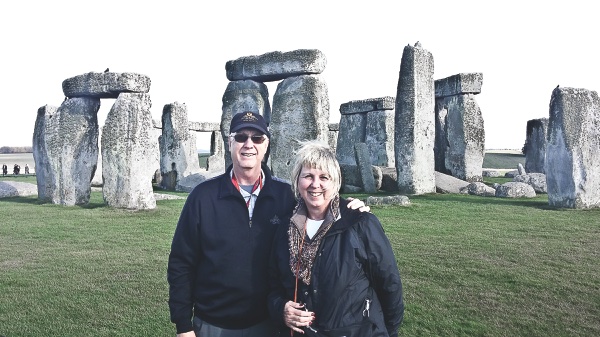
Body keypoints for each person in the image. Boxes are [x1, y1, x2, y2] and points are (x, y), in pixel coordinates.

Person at [167, 112, 369, 337]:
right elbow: (181, 263)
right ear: (229, 142)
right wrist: (183, 325)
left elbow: (319, 204)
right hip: (213, 322)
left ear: (266, 145)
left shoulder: (287, 196)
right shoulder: (202, 197)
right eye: (241, 137)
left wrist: (345, 207)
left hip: (270, 323)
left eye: (257, 138)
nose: (248, 145)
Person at [268, 140, 404, 337]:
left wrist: (389, 333)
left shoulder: (360, 223)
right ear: (298, 180)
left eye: (324, 177)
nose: (316, 184)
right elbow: (273, 285)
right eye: (308, 176)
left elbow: (389, 286)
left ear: (335, 182)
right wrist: (281, 309)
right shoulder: (285, 227)